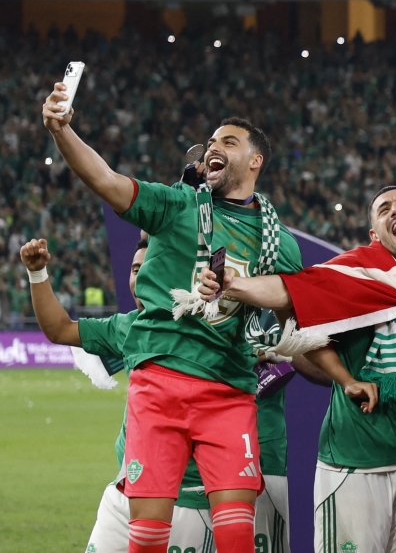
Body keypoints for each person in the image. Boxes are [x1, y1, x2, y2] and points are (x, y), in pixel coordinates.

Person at [41, 84, 303, 553]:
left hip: (228, 388)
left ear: (255, 160)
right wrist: (63, 131)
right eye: (212, 142)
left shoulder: (279, 243)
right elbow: (106, 180)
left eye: (229, 141)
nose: (214, 147)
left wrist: (238, 289)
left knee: (238, 535)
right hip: (159, 383)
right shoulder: (177, 205)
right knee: (146, 537)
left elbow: (294, 306)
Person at [199, 184, 396, 553]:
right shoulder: (358, 273)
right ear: (374, 235)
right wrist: (233, 285)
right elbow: (292, 292)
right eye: (384, 208)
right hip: (355, 464)